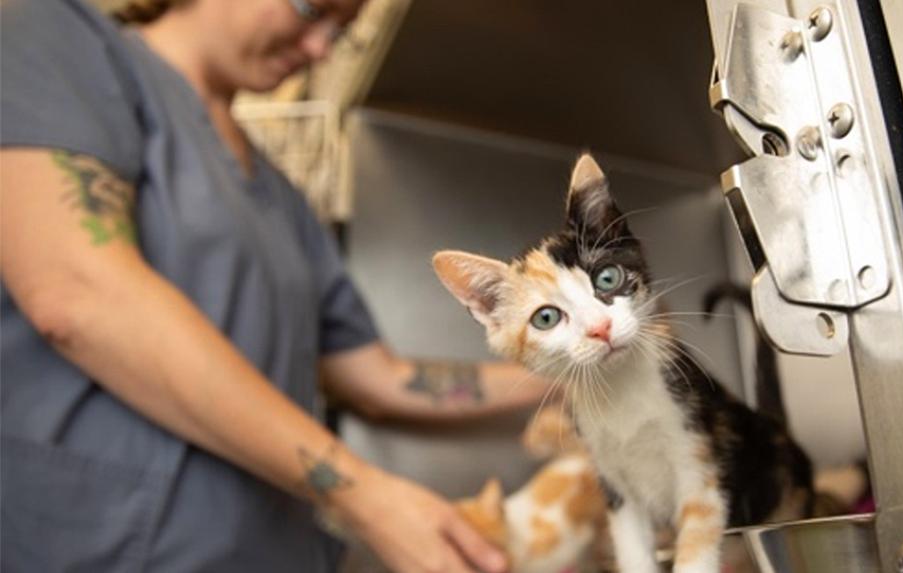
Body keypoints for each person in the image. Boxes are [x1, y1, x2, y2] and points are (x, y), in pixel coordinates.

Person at [0, 0, 549, 571]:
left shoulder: (285, 204)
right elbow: (78, 293)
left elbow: (380, 380)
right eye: (313, 8)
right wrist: (359, 490)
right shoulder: (60, 38)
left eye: (342, 32)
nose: (319, 48)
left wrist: (568, 369)